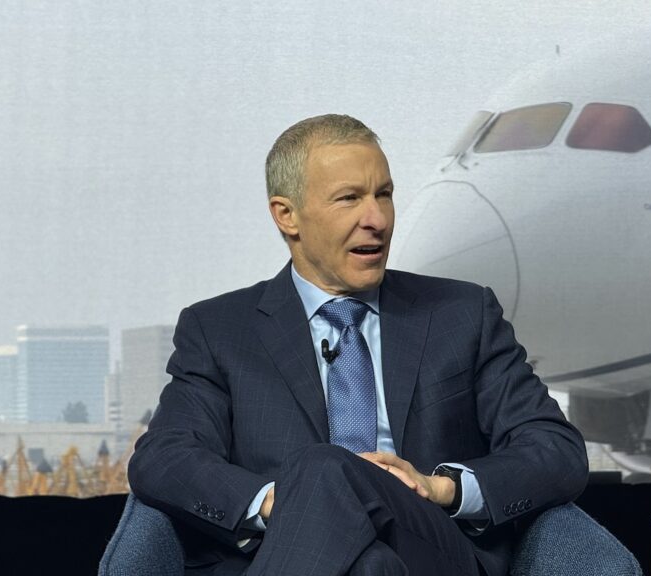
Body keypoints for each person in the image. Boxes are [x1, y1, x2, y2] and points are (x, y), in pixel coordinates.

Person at [128, 114, 593, 576]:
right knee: (367, 557)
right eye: (349, 198)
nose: (377, 219)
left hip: (435, 548)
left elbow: (555, 448)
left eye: (384, 195)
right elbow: (164, 457)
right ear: (286, 215)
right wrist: (277, 502)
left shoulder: (462, 314)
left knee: (326, 469)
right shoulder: (220, 329)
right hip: (298, 552)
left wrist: (441, 487)